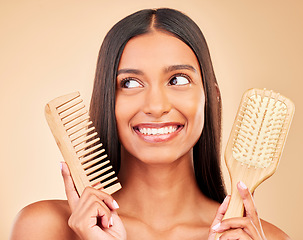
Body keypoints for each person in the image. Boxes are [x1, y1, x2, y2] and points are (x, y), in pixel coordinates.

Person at [10, 8, 290, 240]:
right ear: (108, 100)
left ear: (211, 97)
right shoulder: (45, 228)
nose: (156, 107)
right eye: (130, 83)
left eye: (178, 79)